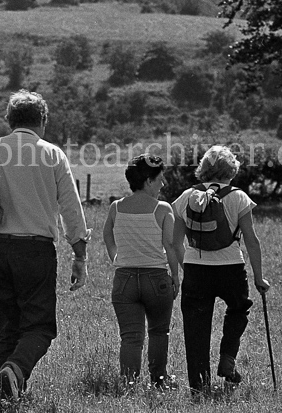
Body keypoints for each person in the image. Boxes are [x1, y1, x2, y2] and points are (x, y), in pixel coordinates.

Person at [0, 89, 91, 402]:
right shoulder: (52, 154)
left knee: (6, 326)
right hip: (35, 249)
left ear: (10, 121)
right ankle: (16, 367)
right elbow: (70, 208)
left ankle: (8, 395)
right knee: (39, 327)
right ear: (43, 121)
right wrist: (80, 255)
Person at [171, 145, 270, 396]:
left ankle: (198, 387)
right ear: (231, 171)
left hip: (196, 269)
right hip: (231, 268)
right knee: (238, 308)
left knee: (196, 328)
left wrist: (188, 267)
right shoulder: (238, 197)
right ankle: (227, 357)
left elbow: (174, 243)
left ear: (204, 169)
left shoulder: (184, 197)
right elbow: (251, 239)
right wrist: (259, 277)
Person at [102, 154, 179, 389]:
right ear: (148, 181)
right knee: (159, 332)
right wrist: (175, 276)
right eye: (160, 180)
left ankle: (128, 383)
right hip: (156, 279)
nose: (163, 184)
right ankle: (159, 380)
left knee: (131, 337)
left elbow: (107, 235)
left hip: (124, 279)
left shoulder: (117, 207)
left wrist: (116, 256)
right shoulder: (163, 209)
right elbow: (170, 246)